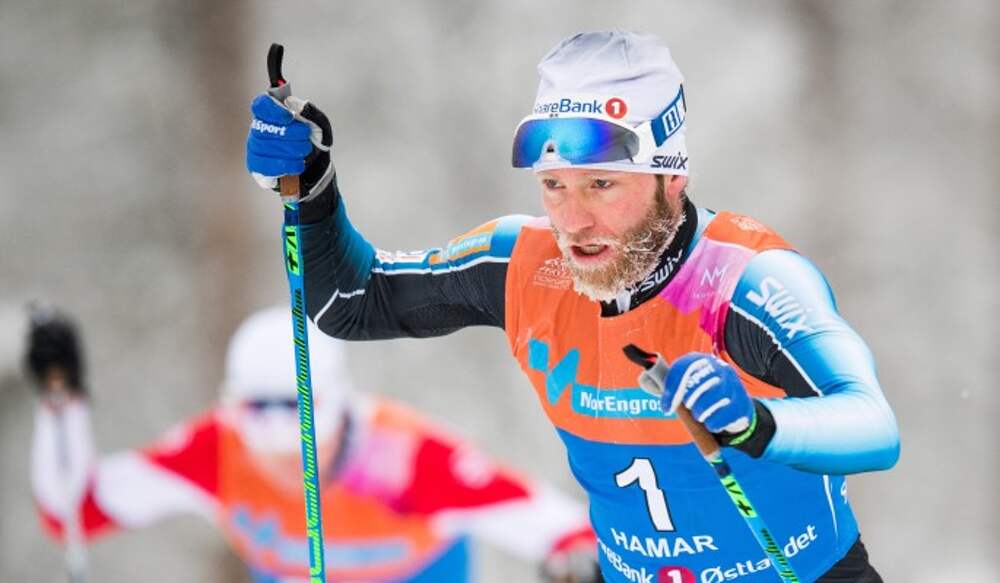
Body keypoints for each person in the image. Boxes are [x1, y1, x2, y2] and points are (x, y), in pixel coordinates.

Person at [244, 31, 900, 583]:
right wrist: (314, 190)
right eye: (554, 185)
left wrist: (759, 422)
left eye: (601, 185)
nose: (573, 219)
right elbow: (352, 302)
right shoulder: (525, 265)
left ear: (672, 177)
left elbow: (873, 425)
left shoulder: (743, 280)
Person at [26, 305, 600, 583]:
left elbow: (564, 529)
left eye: (302, 430)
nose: (281, 456)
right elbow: (72, 511)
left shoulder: (407, 460)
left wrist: (576, 563)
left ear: (339, 407)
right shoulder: (219, 453)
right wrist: (61, 405)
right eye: (258, 426)